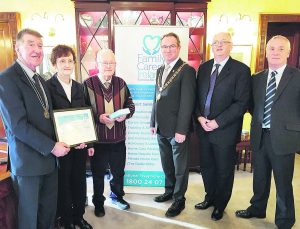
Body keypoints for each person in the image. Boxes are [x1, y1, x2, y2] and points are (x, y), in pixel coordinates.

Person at [0, 28, 70, 229]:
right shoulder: (6, 79)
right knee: (28, 219)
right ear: (17, 48)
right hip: (28, 164)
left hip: (49, 161)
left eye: (40, 45)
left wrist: (71, 138)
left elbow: (49, 117)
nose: (37, 49)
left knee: (48, 214)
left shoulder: (40, 79)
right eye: (30, 44)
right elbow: (18, 126)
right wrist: (51, 147)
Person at [235, 35, 300, 229]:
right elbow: (253, 106)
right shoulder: (257, 78)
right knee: (260, 177)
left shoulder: (297, 76)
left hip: (284, 138)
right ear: (266, 52)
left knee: (283, 182)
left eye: (281, 49)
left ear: (288, 53)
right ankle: (257, 208)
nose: (275, 52)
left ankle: (285, 220)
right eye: (272, 48)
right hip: (260, 135)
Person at [194, 32, 251, 221]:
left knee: (224, 170)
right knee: (207, 167)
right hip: (203, 128)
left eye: (223, 42)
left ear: (231, 46)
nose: (219, 45)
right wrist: (200, 117)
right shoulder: (203, 68)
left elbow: (241, 103)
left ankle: (220, 204)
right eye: (215, 42)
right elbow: (196, 97)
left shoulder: (241, 70)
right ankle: (210, 197)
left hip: (225, 130)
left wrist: (217, 122)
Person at [46, 45, 94, 229]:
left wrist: (88, 141)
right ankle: (66, 221)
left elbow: (87, 115)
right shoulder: (48, 87)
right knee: (63, 184)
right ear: (54, 64)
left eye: (69, 60)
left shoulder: (80, 88)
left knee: (79, 182)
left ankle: (79, 217)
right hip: (60, 148)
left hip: (79, 146)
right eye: (62, 61)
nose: (67, 64)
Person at [83, 49, 135, 217]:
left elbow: (130, 105)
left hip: (118, 139)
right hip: (98, 141)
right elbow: (82, 113)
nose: (108, 66)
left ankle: (117, 196)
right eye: (104, 63)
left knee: (118, 172)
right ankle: (98, 202)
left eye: (111, 63)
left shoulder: (121, 83)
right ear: (97, 64)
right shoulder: (88, 84)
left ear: (115, 65)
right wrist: (99, 118)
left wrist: (126, 114)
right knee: (97, 174)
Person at [150, 32, 196, 217]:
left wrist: (181, 129)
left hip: (177, 130)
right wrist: (153, 121)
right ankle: (169, 191)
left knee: (180, 167)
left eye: (171, 46)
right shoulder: (160, 70)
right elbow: (156, 98)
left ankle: (179, 199)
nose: (168, 49)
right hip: (161, 127)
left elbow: (187, 102)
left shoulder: (186, 70)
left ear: (178, 47)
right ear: (161, 49)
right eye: (164, 46)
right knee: (167, 164)